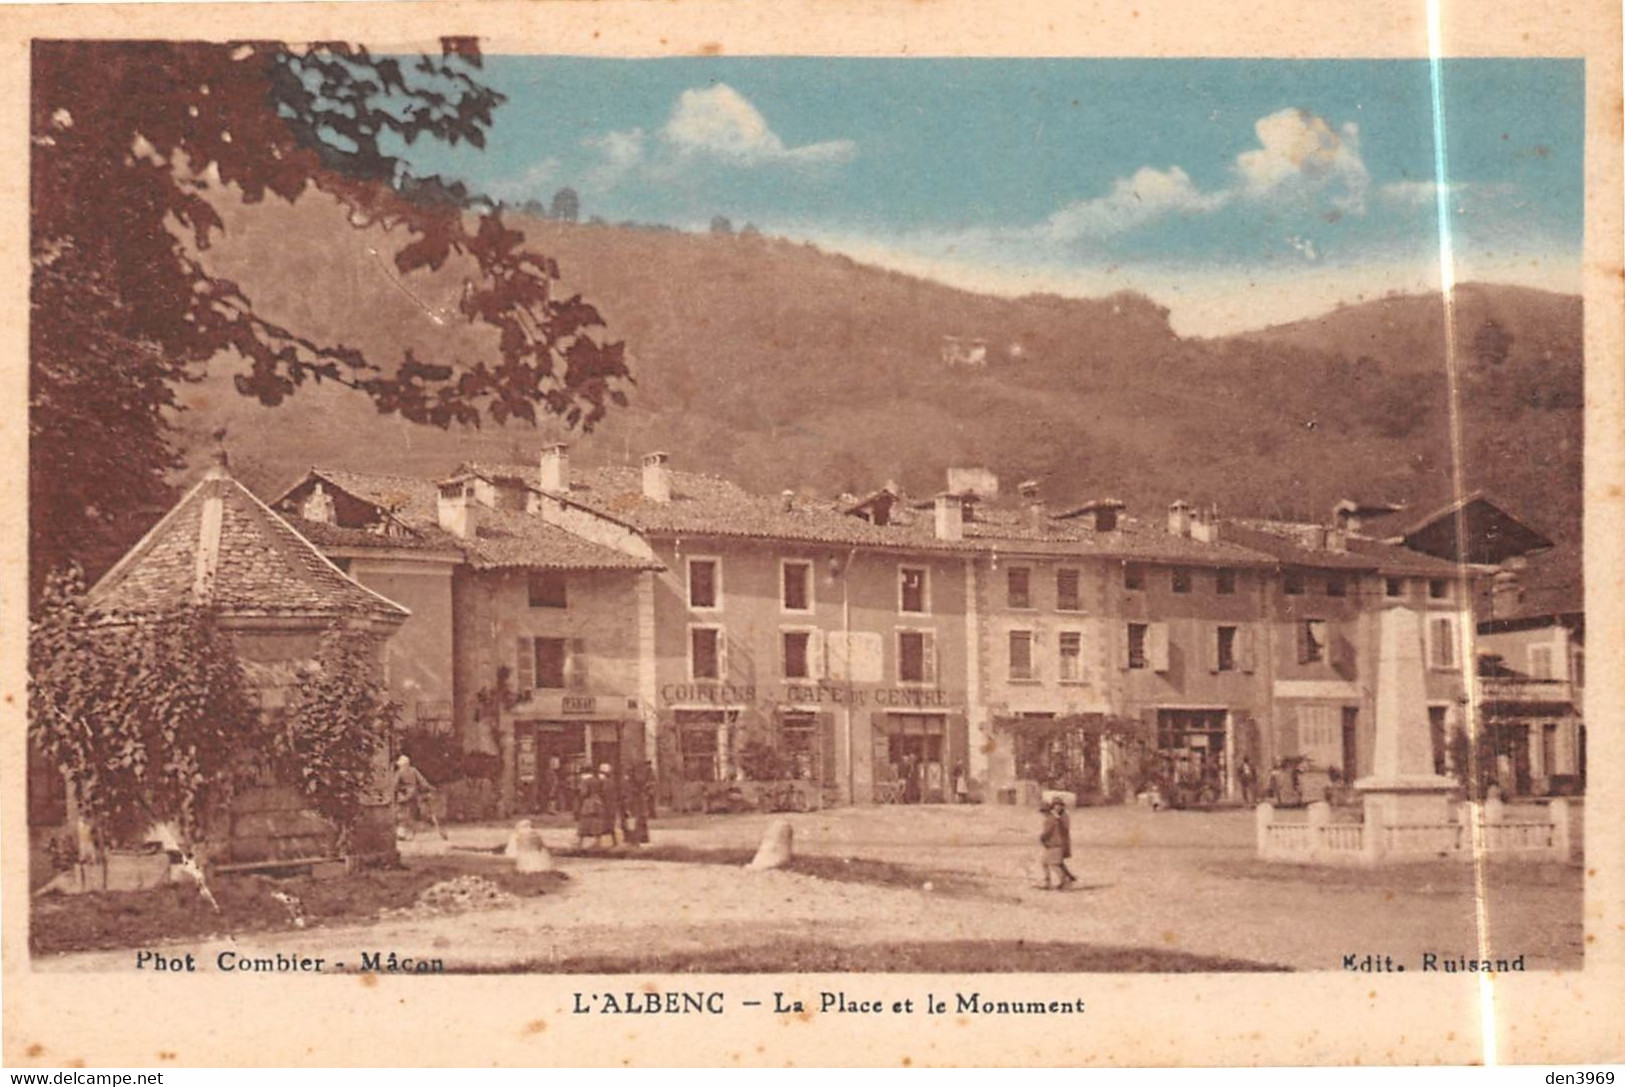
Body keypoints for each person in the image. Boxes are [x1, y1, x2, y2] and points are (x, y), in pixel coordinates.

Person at [393, 754, 446, 841]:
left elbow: (394, 785)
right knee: (412, 814)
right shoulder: (413, 770)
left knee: (402, 814)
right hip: (414, 794)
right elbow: (422, 781)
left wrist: (396, 792)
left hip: (404, 795)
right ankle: (409, 833)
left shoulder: (400, 772)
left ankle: (402, 833)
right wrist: (430, 788)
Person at [1036, 799, 1070, 891]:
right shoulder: (1054, 818)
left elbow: (1047, 832)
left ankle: (1065, 882)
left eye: (1042, 811)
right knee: (1044, 863)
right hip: (1054, 845)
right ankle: (1048, 883)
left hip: (1054, 845)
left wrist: (1041, 838)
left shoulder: (1050, 820)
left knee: (1054, 864)